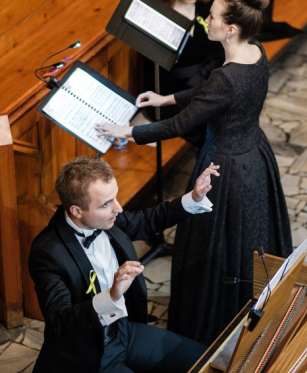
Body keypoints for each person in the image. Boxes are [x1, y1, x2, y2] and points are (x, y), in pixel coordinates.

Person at [96, 0, 293, 345]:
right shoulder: (255, 51)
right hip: (254, 155)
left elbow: (182, 124)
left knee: (215, 246)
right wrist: (167, 95)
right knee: (248, 239)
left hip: (225, 169)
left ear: (230, 28)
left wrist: (128, 131)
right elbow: (212, 95)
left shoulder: (226, 76)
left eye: (213, 17)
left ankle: (212, 317)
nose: (206, 21)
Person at [28, 156, 219, 372]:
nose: (118, 208)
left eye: (115, 198)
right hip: (88, 355)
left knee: (207, 361)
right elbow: (59, 320)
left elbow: (147, 220)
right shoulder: (47, 253)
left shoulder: (107, 219)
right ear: (77, 211)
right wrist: (112, 296)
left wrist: (194, 197)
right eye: (106, 204)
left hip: (123, 332)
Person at [143, 0, 224, 147]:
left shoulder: (206, 6)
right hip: (175, 94)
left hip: (208, 80)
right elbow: (157, 75)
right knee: (212, 128)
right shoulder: (159, 19)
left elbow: (218, 50)